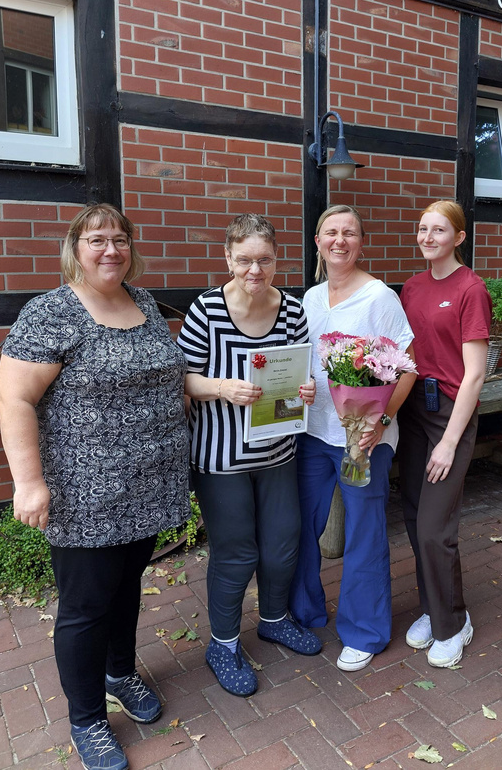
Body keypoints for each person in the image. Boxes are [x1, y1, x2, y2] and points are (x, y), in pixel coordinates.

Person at [0, 204, 190, 770]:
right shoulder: (51, 312)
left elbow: (166, 376)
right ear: (75, 247)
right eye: (97, 240)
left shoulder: (144, 302)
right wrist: (28, 482)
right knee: (84, 607)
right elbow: (14, 398)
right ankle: (87, 719)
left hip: (148, 483)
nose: (111, 250)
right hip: (86, 493)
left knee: (127, 587)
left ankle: (120, 673)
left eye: (120, 239)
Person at [177, 214, 321, 697]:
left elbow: (299, 371)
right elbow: (184, 379)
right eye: (244, 260)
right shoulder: (207, 310)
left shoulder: (293, 310)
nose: (254, 270)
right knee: (237, 553)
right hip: (220, 459)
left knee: (284, 543)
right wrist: (221, 387)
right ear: (228, 259)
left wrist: (306, 388)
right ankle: (222, 643)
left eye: (264, 260)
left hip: (277, 450)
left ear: (276, 260)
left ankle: (274, 619)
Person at [289, 204, 416, 672]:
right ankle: (305, 613)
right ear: (318, 242)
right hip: (312, 436)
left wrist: (380, 423)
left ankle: (365, 631)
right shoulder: (309, 298)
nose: (339, 241)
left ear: (361, 243)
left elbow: (407, 368)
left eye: (349, 233)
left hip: (360, 443)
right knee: (301, 525)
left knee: (363, 533)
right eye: (330, 233)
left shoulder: (379, 298)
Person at [398, 200, 491, 668]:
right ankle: (434, 609)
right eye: (422, 229)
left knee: (436, 528)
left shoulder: (471, 289)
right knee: (415, 519)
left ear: (458, 237)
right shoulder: (411, 288)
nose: (428, 237)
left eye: (439, 230)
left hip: (449, 414)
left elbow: (474, 375)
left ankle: (454, 622)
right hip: (413, 409)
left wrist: (450, 442)